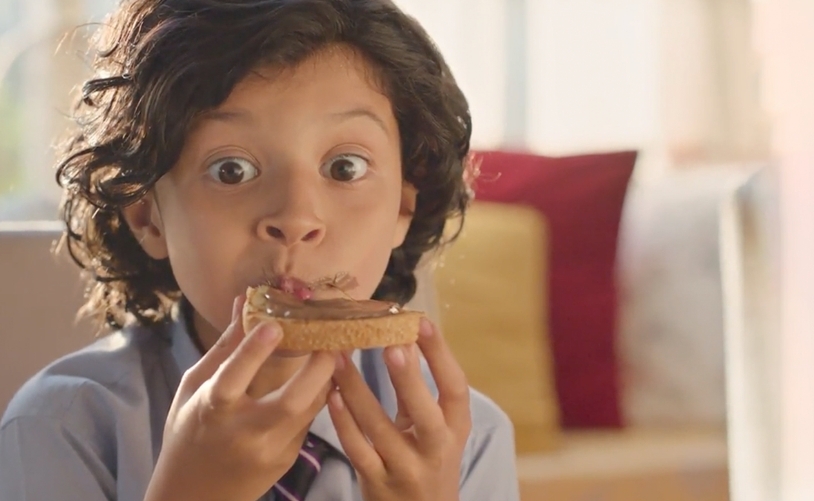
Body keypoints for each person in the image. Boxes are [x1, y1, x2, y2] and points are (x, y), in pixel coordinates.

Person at [0, 0, 520, 500]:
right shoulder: (61, 427)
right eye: (232, 170)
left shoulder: (466, 444)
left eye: (346, 168)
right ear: (147, 217)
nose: (295, 219)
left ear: (404, 209)